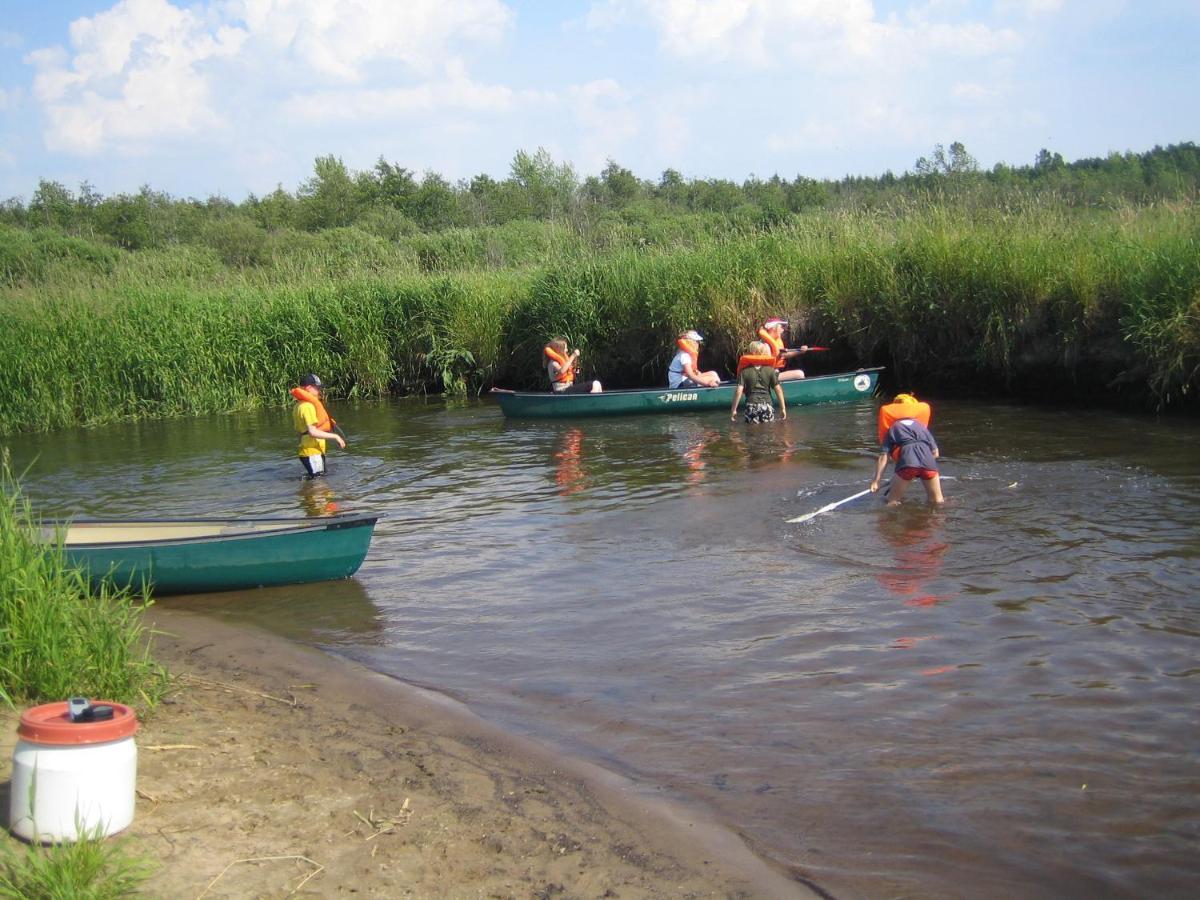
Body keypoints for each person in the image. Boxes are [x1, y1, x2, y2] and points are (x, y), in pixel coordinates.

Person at [870, 394, 944, 505]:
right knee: (937, 502)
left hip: (907, 464)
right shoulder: (921, 426)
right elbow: (935, 453)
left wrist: (876, 481)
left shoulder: (893, 428)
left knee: (891, 502)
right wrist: (920, 469)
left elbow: (883, 457)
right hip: (929, 463)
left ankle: (890, 520)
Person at [290, 373, 345, 479]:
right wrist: (336, 437)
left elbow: (300, 432)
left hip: (307, 451)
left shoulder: (298, 406)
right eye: (318, 388)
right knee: (319, 483)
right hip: (312, 452)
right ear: (309, 388)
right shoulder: (308, 407)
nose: (320, 391)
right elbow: (312, 432)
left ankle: (306, 492)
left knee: (316, 479)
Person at [730, 340, 787, 423]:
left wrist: (734, 410)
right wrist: (783, 408)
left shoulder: (744, 371)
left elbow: (739, 391)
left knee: (752, 433)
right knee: (768, 432)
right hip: (767, 406)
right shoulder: (770, 370)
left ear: (750, 353)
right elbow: (778, 389)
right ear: (764, 353)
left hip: (751, 406)